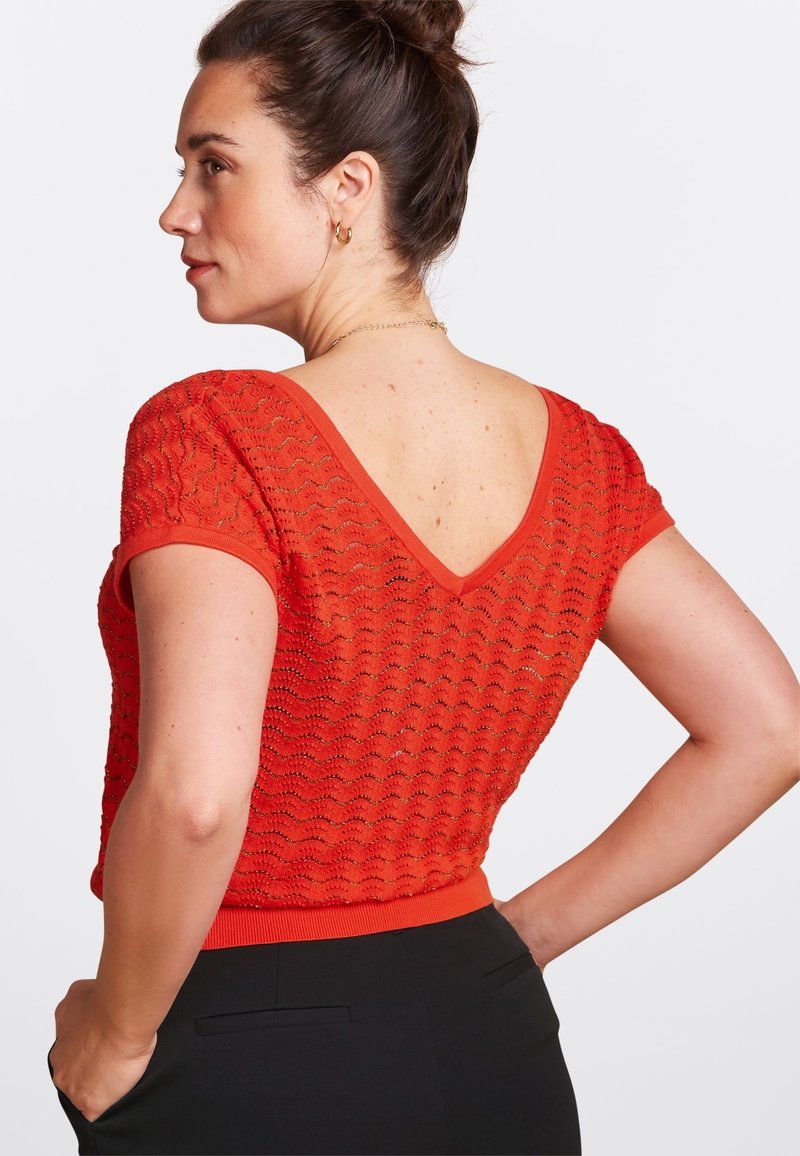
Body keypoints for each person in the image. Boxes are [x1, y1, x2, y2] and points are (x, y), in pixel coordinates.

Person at [46, 2, 798, 1154]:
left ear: (346, 188)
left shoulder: (215, 430)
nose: (175, 210)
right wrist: (516, 942)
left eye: (214, 166)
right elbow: (764, 726)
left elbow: (197, 795)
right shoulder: (579, 457)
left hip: (248, 1048)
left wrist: (114, 1030)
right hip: (487, 1038)